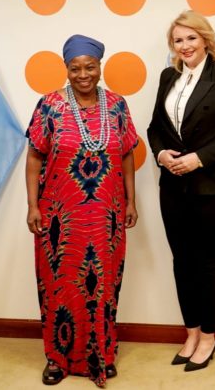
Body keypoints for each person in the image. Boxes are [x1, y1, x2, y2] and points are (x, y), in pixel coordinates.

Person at [25, 34, 138, 387]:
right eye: (75, 68)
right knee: (59, 286)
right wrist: (32, 205)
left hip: (107, 213)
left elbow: (127, 155)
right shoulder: (49, 105)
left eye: (90, 67)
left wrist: (131, 201)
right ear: (66, 69)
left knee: (103, 285)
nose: (83, 74)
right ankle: (57, 358)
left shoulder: (117, 106)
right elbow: (34, 157)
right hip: (59, 216)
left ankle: (102, 354)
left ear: (100, 67)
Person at [147, 10, 215, 372]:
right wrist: (160, 154)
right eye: (178, 40)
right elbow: (155, 128)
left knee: (208, 263)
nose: (185, 45)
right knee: (182, 261)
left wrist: (199, 159)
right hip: (172, 185)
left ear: (206, 39)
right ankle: (191, 332)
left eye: (191, 38)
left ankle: (208, 336)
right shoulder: (168, 77)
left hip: (213, 186)